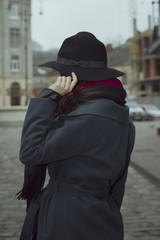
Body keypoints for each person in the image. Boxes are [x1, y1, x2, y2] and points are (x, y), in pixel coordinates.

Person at [16, 32, 135, 240]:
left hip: (65, 219)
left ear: (73, 78)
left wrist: (47, 98)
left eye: (62, 74)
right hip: (103, 216)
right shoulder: (121, 116)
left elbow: (30, 152)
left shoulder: (85, 119)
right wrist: (107, 211)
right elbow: (118, 185)